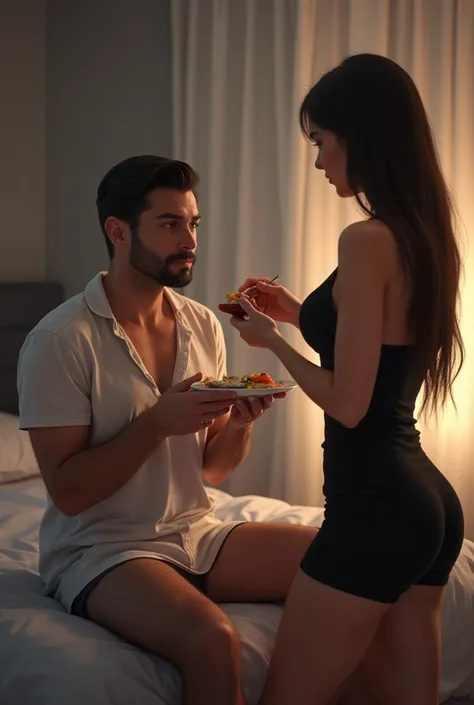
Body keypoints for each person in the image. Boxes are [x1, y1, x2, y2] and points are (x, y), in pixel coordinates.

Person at [17, 155, 317, 705]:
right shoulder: (60, 340)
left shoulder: (202, 324)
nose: (189, 240)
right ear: (119, 232)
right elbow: (67, 491)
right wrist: (155, 424)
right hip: (103, 548)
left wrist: (241, 423)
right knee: (212, 638)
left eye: (193, 224)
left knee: (344, 564)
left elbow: (212, 470)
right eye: (170, 224)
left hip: (193, 530)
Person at [230, 54, 465, 705]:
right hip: (429, 507)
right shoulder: (420, 233)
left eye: (320, 142)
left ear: (358, 136)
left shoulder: (364, 240)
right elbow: (381, 353)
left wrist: (272, 341)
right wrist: (300, 313)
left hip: (375, 506)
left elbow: (350, 403)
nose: (318, 161)